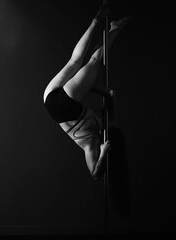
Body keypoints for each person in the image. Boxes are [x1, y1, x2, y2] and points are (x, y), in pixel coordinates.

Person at [43, 5, 129, 180]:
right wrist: (101, 91)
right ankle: (100, 23)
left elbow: (96, 175)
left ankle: (111, 27)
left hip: (66, 106)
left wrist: (104, 152)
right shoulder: (103, 121)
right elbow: (110, 94)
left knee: (90, 60)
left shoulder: (91, 144)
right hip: (50, 100)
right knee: (76, 61)